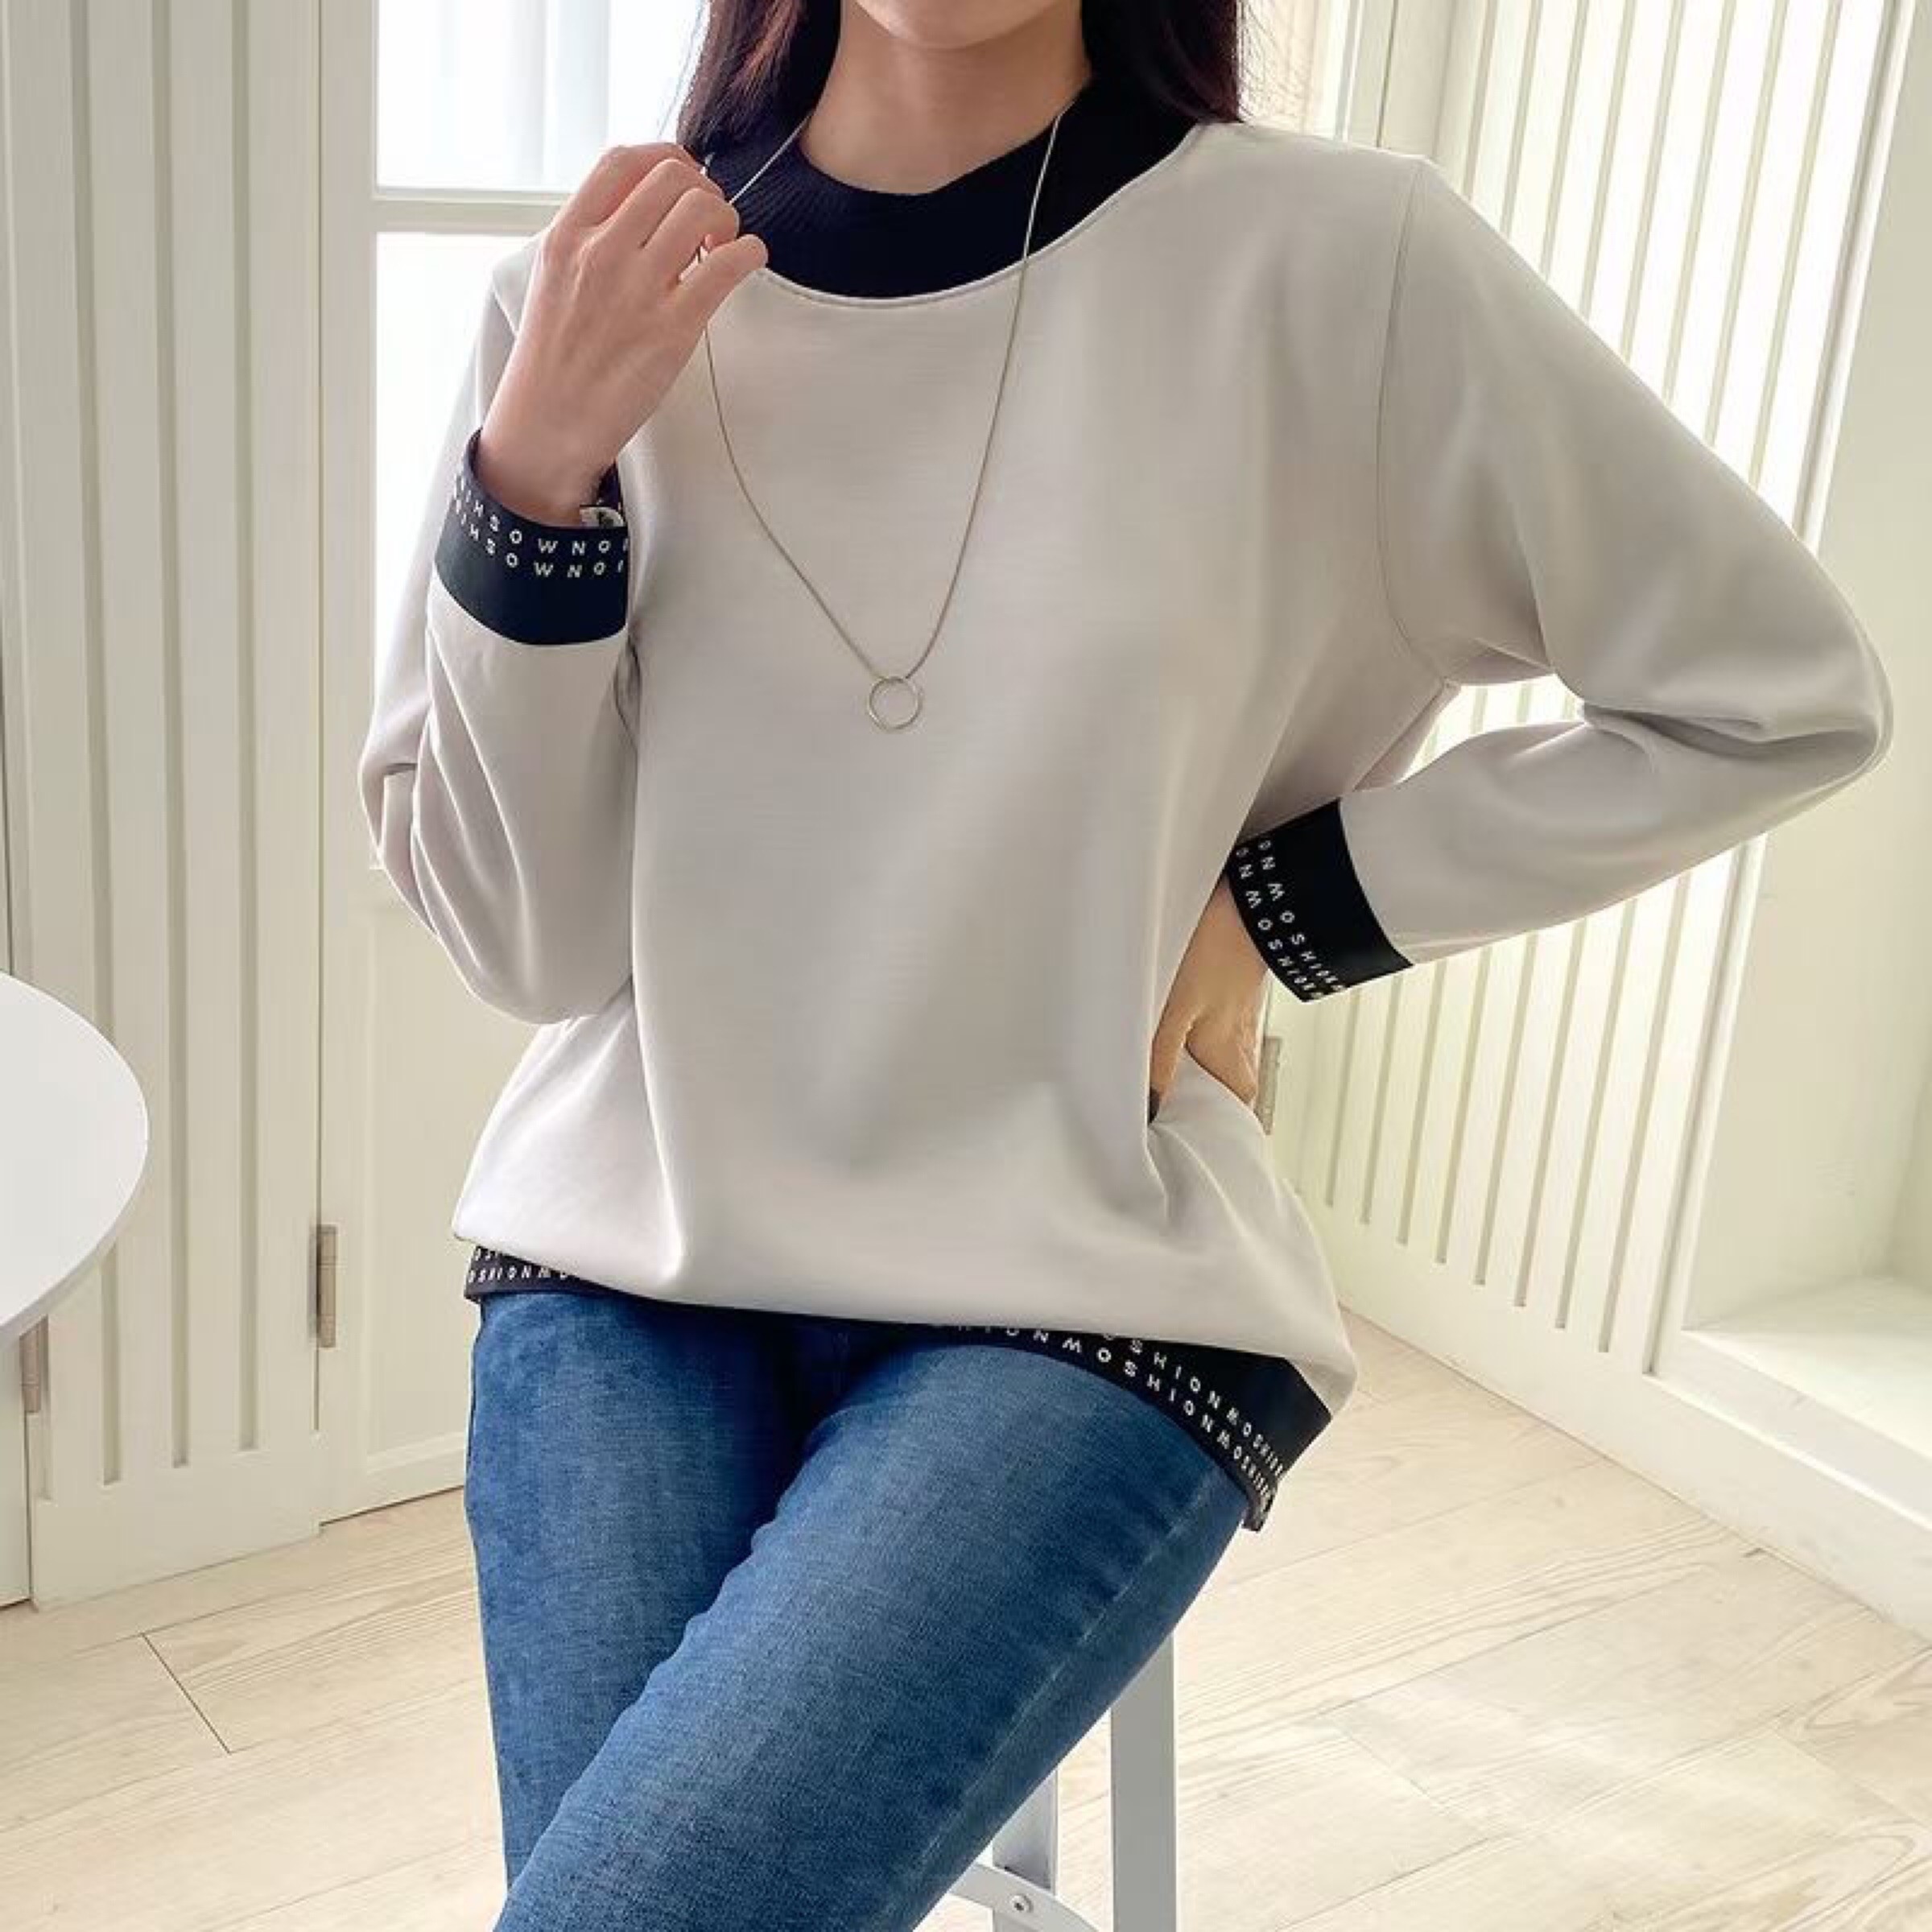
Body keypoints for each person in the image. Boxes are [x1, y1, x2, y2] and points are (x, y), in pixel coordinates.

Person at [357, 2, 1895, 1925]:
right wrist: (536, 472)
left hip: (1080, 1261)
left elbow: (1776, 691)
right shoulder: (583, 300)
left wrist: (1282, 903)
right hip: (629, 1253)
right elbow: (530, 942)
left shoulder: (1340, 268)